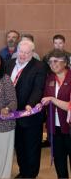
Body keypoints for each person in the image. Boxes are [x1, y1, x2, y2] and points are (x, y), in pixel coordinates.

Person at [5, 39, 46, 179]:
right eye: (21, 52)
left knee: (31, 148)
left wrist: (31, 104)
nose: (22, 55)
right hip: (12, 115)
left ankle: (31, 175)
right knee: (20, 147)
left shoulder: (39, 66)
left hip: (30, 115)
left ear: (32, 53)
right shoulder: (9, 64)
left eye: (26, 53)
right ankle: (23, 172)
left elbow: (38, 88)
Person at [41, 49, 71, 179]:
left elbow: (68, 105)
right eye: (50, 62)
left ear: (65, 62)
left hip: (69, 127)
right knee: (59, 160)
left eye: (55, 61)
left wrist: (52, 99)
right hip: (55, 127)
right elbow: (44, 98)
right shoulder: (49, 79)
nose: (52, 64)